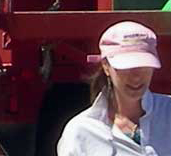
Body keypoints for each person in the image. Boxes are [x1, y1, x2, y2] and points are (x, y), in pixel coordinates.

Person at [57, 20, 171, 155]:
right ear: (106, 66)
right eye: (126, 67)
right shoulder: (81, 132)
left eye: (144, 66)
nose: (136, 76)